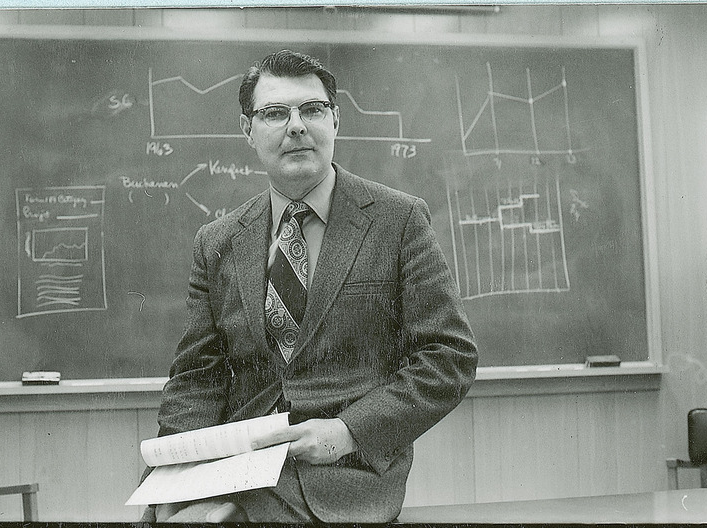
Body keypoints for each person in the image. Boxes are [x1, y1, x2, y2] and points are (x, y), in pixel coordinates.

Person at [140, 49, 478, 524]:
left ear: (335, 121)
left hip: (341, 476)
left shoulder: (398, 221)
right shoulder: (216, 242)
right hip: (236, 468)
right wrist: (172, 474)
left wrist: (348, 430)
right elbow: (197, 377)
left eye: (312, 109)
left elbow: (448, 358)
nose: (296, 125)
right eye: (275, 113)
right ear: (247, 131)